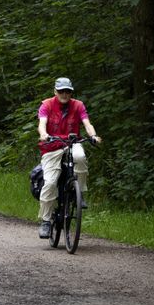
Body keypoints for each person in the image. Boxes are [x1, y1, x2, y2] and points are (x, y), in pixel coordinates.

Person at [36, 77, 101, 238]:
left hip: (72, 143)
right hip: (51, 145)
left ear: (71, 92)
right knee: (50, 182)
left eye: (68, 91)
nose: (64, 94)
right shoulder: (47, 105)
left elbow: (87, 123)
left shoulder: (78, 105)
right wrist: (44, 135)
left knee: (80, 156)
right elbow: (42, 123)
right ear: (55, 92)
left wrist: (93, 136)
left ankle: (79, 193)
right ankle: (45, 221)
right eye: (61, 91)